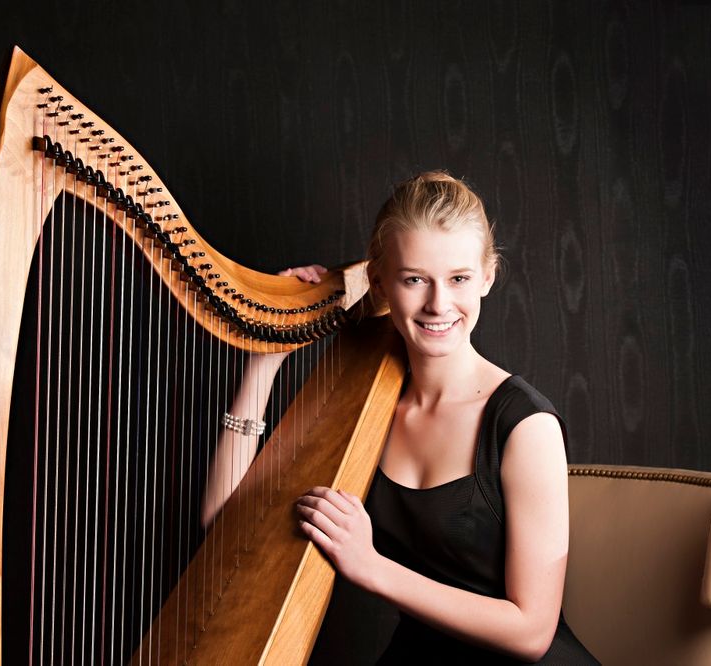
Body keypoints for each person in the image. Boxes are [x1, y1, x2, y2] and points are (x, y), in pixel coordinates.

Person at [203, 171, 598, 663]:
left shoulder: (525, 426)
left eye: (459, 279)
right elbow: (223, 522)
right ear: (380, 281)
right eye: (415, 279)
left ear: (488, 278)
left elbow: (531, 630)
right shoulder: (361, 408)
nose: (438, 305)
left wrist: (371, 567)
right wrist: (267, 360)